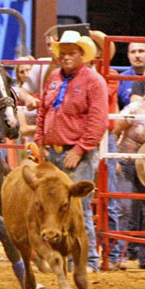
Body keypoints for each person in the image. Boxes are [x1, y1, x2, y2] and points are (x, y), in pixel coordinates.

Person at [34, 30, 108, 273]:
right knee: (51, 208)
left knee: (79, 209)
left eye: (71, 53)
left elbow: (98, 121)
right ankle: (56, 257)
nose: (65, 57)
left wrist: (80, 149)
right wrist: (39, 142)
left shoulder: (94, 81)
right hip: (52, 153)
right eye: (62, 53)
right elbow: (43, 111)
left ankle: (88, 261)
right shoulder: (54, 77)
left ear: (82, 55)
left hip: (77, 155)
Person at [89, 29, 122, 269]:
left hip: (105, 135)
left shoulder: (109, 74)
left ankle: (114, 253)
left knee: (110, 197)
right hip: (88, 135)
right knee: (90, 196)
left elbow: (98, 96)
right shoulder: (81, 76)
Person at [114, 83, 145, 270]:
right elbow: (114, 129)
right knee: (125, 207)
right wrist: (116, 160)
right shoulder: (135, 109)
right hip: (127, 161)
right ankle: (118, 253)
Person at [18, 26, 60, 110]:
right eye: (48, 45)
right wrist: (28, 98)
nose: (51, 48)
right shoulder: (41, 64)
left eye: (55, 43)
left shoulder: (80, 67)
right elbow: (23, 91)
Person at [117, 43, 145, 110]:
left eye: (141, 51)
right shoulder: (120, 79)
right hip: (128, 118)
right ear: (128, 56)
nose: (137, 55)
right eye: (133, 52)